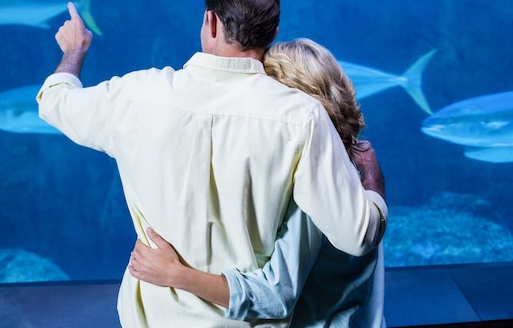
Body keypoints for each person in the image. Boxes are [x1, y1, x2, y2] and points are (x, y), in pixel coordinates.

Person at [37, 0, 387, 328]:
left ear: (211, 22)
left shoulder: (135, 96)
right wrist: (374, 190)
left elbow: (54, 102)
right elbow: (357, 236)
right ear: (272, 33)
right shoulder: (302, 119)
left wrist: (74, 52)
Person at [129, 38, 386, 328]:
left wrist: (175, 274)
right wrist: (376, 191)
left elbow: (276, 296)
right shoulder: (352, 170)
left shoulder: (312, 189)